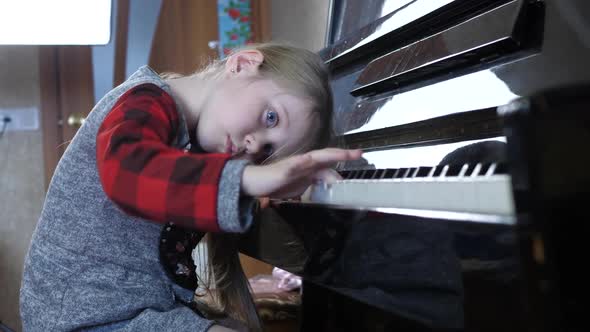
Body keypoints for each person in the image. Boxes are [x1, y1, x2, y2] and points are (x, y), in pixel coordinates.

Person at [20, 43, 362, 332]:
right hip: (81, 317)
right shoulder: (145, 101)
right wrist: (251, 179)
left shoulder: (199, 144)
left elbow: (192, 190)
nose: (253, 145)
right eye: (270, 117)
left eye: (268, 152)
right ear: (242, 64)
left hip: (130, 310)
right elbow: (127, 176)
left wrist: (286, 198)